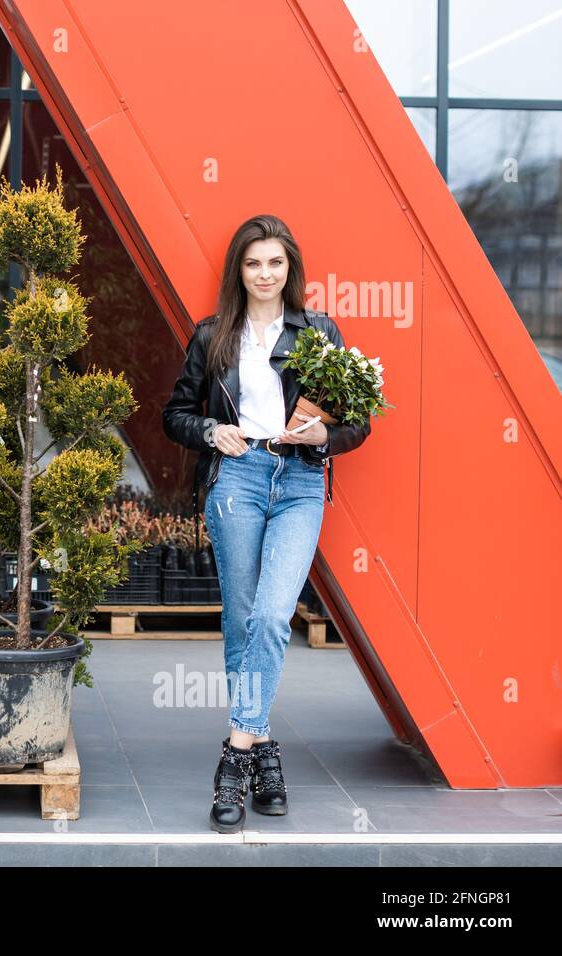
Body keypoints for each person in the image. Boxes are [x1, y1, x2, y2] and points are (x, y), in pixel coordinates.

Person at [161, 214, 371, 832]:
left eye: (275, 263)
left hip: (301, 480)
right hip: (238, 478)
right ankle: (265, 751)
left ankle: (237, 756)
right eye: (254, 263)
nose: (265, 273)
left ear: (290, 269)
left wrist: (324, 433)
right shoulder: (212, 336)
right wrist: (208, 429)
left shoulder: (319, 332)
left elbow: (360, 423)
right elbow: (175, 413)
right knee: (243, 618)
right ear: (239, 271)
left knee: (274, 616)